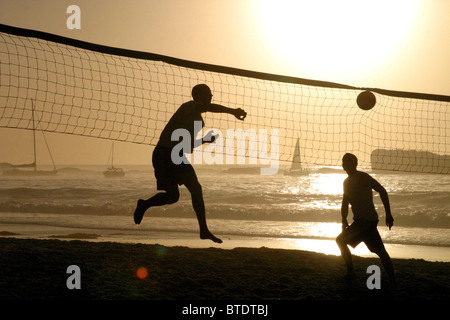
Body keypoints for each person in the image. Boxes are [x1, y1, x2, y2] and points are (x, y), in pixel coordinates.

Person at [133, 84, 247, 243]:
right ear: (200, 95)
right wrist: (232, 111)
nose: (212, 96)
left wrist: (205, 140)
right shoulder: (189, 106)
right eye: (209, 93)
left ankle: (145, 205)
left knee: (175, 196)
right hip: (165, 153)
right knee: (189, 190)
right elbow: (209, 107)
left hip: (174, 155)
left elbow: (187, 145)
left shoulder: (196, 119)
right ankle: (203, 230)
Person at [336, 153, 396, 286]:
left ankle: (351, 273)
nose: (345, 165)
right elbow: (345, 203)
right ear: (343, 166)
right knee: (379, 250)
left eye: (348, 163)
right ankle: (392, 280)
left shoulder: (363, 177)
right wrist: (343, 220)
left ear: (355, 164)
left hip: (366, 222)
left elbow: (382, 190)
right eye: (344, 163)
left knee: (340, 240)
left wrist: (388, 214)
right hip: (363, 222)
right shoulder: (346, 182)